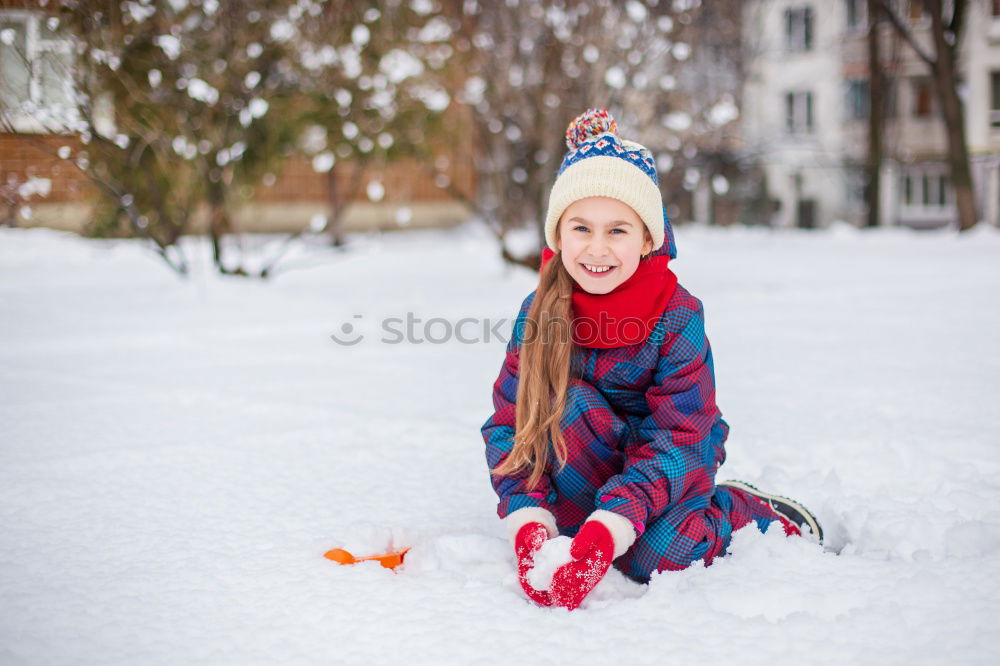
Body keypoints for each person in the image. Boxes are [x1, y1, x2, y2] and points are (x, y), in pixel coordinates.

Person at [480, 108, 823, 611]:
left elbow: (680, 437)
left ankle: (743, 511)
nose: (597, 248)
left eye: (618, 230)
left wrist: (611, 527)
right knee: (567, 403)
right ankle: (598, 520)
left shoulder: (676, 316)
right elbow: (511, 425)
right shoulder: (540, 314)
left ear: (647, 238)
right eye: (581, 228)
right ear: (558, 236)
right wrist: (531, 526)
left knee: (659, 556)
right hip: (586, 458)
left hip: (670, 464)